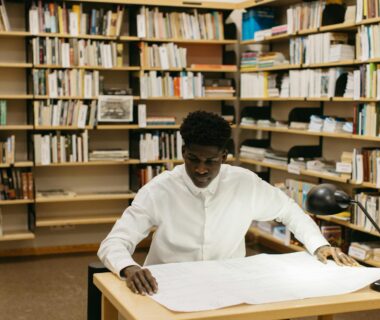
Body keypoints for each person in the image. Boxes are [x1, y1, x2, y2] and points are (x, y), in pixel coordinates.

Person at [98, 110, 358, 296]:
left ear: (224, 156)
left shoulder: (244, 183)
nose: (200, 169)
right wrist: (129, 266)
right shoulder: (159, 189)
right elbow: (114, 242)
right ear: (182, 153)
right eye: (193, 159)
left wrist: (319, 246)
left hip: (228, 285)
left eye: (210, 161)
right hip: (166, 287)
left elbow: (289, 210)